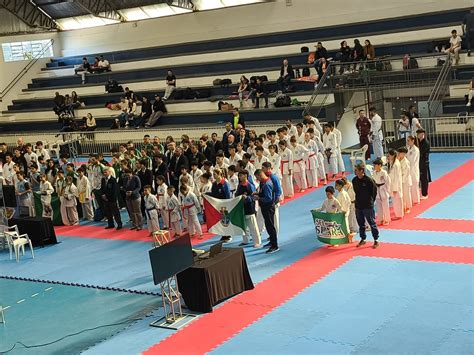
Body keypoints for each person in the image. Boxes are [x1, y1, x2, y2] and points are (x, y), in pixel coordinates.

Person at [352, 163, 380, 248]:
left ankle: (376, 240)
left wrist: (371, 202)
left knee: (372, 223)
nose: (355, 171)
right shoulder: (354, 180)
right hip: (358, 205)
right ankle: (363, 239)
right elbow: (356, 192)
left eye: (356, 170)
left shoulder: (369, 180)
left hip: (368, 205)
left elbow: (374, 192)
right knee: (361, 223)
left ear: (362, 171)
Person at [254, 169, 279, 254]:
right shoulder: (263, 182)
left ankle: (275, 246)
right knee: (268, 225)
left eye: (257, 177)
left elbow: (268, 198)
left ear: (260, 175)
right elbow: (263, 194)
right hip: (265, 207)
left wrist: (259, 198)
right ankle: (272, 242)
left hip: (268, 207)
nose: (257, 179)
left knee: (270, 226)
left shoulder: (267, 184)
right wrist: (258, 194)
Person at [235, 169, 261, 248]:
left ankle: (257, 242)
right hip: (242, 208)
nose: (239, 177)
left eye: (241, 175)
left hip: (250, 208)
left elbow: (254, 197)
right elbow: (237, 194)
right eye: (239, 176)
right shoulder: (239, 185)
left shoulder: (250, 185)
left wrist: (246, 198)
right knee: (244, 226)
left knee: (253, 226)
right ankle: (245, 240)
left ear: (245, 176)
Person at [207, 168, 232, 242]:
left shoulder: (225, 184)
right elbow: (213, 194)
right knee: (221, 220)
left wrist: (227, 205)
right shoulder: (214, 184)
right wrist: (206, 194)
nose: (213, 176)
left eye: (214, 174)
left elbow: (228, 196)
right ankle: (223, 235)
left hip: (225, 205)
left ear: (219, 174)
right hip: (218, 205)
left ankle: (229, 235)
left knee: (226, 220)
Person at [372, 158, 391, 226]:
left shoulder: (384, 172)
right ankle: (380, 219)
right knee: (378, 206)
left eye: (375, 165)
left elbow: (388, 182)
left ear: (380, 165)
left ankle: (387, 219)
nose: (374, 166)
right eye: (374, 165)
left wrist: (387, 190)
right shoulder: (374, 173)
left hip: (383, 189)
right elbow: (373, 182)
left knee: (385, 206)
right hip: (377, 189)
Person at [387, 149, 403, 219]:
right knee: (396, 200)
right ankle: (399, 214)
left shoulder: (396, 164)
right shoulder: (392, 162)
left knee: (397, 200)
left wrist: (395, 188)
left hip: (396, 185)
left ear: (393, 155)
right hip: (393, 184)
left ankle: (399, 215)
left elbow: (397, 177)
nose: (388, 156)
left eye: (389, 155)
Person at [397, 147, 412, 214]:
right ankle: (403, 207)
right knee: (402, 195)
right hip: (400, 180)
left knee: (406, 194)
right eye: (399, 153)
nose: (399, 154)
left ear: (403, 154)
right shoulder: (398, 160)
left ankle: (408, 207)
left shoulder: (406, 162)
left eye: (400, 153)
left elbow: (406, 173)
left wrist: (402, 181)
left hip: (405, 181)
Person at [417, 129, 431, 199]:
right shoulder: (418, 141)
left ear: (422, 134)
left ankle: (425, 194)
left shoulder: (426, 142)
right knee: (420, 177)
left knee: (424, 178)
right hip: (419, 161)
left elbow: (421, 152)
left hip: (424, 161)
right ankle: (422, 192)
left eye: (419, 133)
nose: (418, 135)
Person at [406, 135, 420, 204]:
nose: (407, 142)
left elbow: (412, 160)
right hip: (408, 169)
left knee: (414, 185)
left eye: (408, 140)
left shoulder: (415, 150)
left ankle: (416, 200)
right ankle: (412, 199)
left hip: (413, 169)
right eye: (407, 140)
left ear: (413, 141)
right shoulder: (408, 148)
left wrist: (406, 161)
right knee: (410, 185)